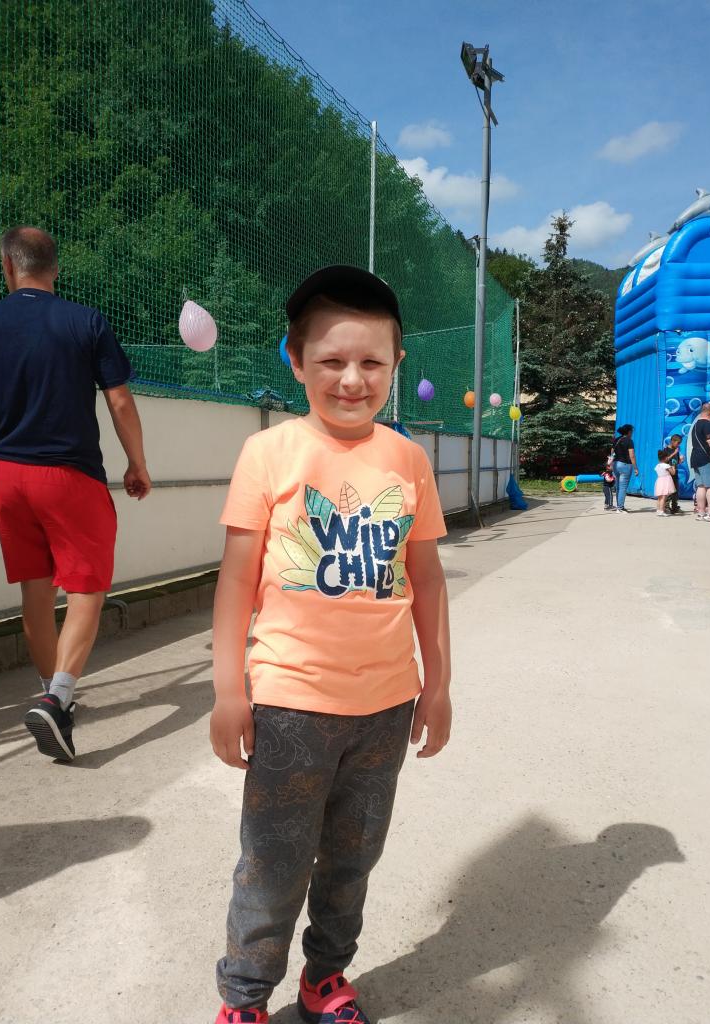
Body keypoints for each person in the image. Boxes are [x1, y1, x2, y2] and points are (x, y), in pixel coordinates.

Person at [209, 265, 451, 1024]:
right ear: (296, 360)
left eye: (371, 361)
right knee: (273, 860)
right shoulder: (269, 452)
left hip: (385, 707)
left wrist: (438, 686)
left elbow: (427, 580)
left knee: (352, 859)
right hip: (290, 705)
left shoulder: (408, 460)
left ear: (397, 363)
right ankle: (245, 998)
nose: (352, 379)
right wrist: (228, 690)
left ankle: (325, 978)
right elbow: (236, 579)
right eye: (331, 360)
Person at [0, 226, 151, 761]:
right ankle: (58, 698)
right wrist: (137, 463)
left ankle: (55, 697)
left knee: (36, 589)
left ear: (8, 266)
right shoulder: (85, 320)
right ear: (55, 268)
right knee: (87, 588)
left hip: (6, 474)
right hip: (69, 476)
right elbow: (120, 402)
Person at [612, 424, 638, 514]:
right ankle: (620, 508)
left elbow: (612, 452)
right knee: (623, 487)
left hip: (615, 464)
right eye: (632, 432)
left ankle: (619, 507)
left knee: (618, 487)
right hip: (625, 465)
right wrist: (635, 468)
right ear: (629, 432)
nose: (632, 433)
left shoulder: (616, 440)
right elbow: (632, 455)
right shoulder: (629, 441)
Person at [661, 434, 684, 514]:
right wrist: (674, 453)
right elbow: (664, 460)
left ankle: (675, 507)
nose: (678, 445)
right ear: (672, 441)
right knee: (668, 490)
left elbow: (675, 462)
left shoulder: (676, 450)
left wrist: (680, 460)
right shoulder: (666, 450)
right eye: (678, 443)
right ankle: (666, 506)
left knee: (675, 491)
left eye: (680, 443)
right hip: (668, 473)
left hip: (675, 473)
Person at [653, 450, 676, 517]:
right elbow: (673, 473)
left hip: (659, 481)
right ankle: (662, 511)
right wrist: (673, 466)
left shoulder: (658, 466)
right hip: (666, 481)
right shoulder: (666, 465)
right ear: (665, 458)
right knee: (664, 497)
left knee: (659, 497)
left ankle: (658, 510)